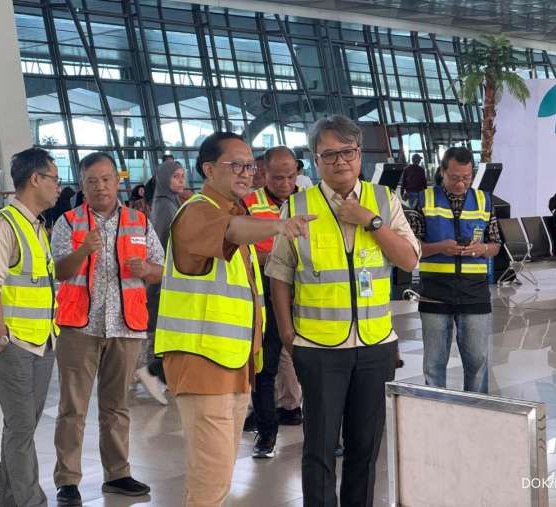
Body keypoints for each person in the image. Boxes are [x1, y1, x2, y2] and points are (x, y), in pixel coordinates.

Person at [267, 115, 420, 506]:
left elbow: (408, 259)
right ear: (316, 160)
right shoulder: (298, 206)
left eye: (347, 152)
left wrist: (370, 222)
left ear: (359, 154)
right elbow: (280, 274)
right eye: (329, 154)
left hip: (375, 346)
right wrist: (288, 335)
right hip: (318, 348)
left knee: (364, 448)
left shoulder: (383, 200)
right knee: (318, 448)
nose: (340, 162)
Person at [154, 132, 314, 507]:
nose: (247, 173)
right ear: (208, 169)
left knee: (216, 475)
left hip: (233, 361)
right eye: (236, 165)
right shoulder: (197, 211)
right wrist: (278, 226)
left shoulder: (234, 210)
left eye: (249, 165)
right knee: (211, 478)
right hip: (203, 362)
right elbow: (231, 233)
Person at [51, 152, 164, 506]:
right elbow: (60, 271)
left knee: (117, 407)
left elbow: (162, 270)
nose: (99, 186)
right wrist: (83, 250)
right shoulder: (67, 223)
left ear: (118, 182)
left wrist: (145, 269)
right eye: (91, 181)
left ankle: (118, 474)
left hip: (126, 327)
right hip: (79, 327)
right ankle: (67, 479)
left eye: (105, 179)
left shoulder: (140, 222)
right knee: (73, 407)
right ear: (82, 186)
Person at [0, 147, 60, 506]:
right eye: (53, 178)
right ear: (35, 179)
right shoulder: (1, 226)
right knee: (21, 427)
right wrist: (2, 337)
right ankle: (30, 501)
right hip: (12, 345)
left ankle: (7, 499)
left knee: (20, 427)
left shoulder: (35, 227)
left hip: (39, 342)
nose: (58, 186)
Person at [407, 147, 501, 394]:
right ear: (442, 172)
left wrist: (482, 249)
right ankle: (436, 411)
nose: (461, 183)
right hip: (435, 291)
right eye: (454, 177)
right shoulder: (423, 200)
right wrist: (440, 248)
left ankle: (477, 410)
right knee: (434, 363)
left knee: (478, 360)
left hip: (475, 292)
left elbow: (496, 245)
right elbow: (409, 247)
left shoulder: (484, 200)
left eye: (466, 177)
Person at [242, 145, 301, 458]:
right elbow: (243, 251)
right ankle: (266, 434)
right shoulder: (249, 203)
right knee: (264, 368)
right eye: (278, 177)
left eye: (291, 176)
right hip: (263, 295)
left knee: (314, 366)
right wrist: (271, 259)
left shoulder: (306, 202)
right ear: (263, 173)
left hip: (302, 293)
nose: (285, 183)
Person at [135, 160, 189, 404]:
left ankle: (157, 374)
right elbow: (164, 243)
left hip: (168, 275)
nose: (180, 180)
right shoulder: (166, 206)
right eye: (175, 177)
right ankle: (153, 372)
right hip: (167, 277)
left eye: (182, 175)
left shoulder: (168, 202)